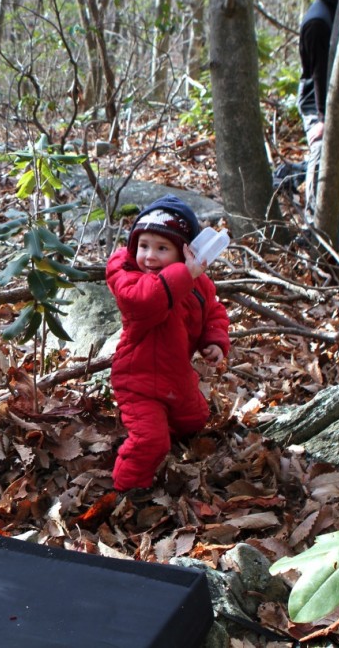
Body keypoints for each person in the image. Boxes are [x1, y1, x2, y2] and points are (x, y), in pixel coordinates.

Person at [105, 195, 231, 496]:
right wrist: (184, 273)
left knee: (195, 419)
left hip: (176, 376)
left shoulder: (196, 282)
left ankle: (163, 425)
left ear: (185, 251)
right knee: (152, 441)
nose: (149, 256)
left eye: (162, 248)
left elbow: (212, 309)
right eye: (143, 246)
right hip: (137, 379)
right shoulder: (128, 278)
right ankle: (128, 489)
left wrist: (214, 339)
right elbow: (144, 301)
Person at [298, 0, 339, 217]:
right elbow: (319, 74)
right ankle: (314, 221)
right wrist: (324, 118)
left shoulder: (337, 13)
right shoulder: (319, 21)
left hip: (334, 98)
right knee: (321, 148)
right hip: (316, 101)